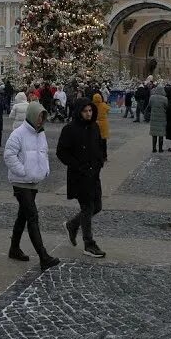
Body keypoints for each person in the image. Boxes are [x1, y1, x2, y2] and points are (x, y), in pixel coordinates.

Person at [4, 101, 61, 269]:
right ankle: (43, 256)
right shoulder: (18, 134)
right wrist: (23, 171)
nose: (40, 120)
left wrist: (45, 170)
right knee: (32, 216)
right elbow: (9, 156)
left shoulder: (40, 133)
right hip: (21, 182)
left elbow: (43, 154)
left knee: (23, 215)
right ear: (31, 115)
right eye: (38, 116)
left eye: (43, 117)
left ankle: (14, 248)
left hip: (34, 181)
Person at [60, 99, 106, 258]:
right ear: (79, 112)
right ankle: (89, 243)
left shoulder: (94, 127)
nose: (89, 113)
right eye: (85, 111)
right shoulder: (70, 129)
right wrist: (78, 166)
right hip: (79, 176)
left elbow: (100, 145)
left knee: (97, 206)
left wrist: (100, 161)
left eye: (90, 111)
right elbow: (62, 152)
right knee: (87, 207)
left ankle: (72, 225)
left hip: (94, 174)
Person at [147, 85, 168, 153]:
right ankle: (160, 149)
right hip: (162, 118)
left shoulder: (152, 97)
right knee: (161, 134)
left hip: (154, 118)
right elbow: (166, 107)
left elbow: (149, 105)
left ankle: (154, 148)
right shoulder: (164, 99)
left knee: (154, 134)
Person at [93, 91, 112, 158]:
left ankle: (97, 154)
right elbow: (108, 110)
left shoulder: (92, 106)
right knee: (104, 142)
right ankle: (104, 155)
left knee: (96, 141)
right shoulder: (104, 105)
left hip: (95, 124)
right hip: (103, 124)